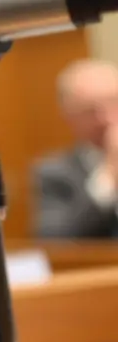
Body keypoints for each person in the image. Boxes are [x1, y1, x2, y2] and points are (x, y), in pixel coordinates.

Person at [34, 59, 118, 239]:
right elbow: (54, 240)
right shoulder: (54, 171)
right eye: (90, 110)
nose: (106, 118)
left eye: (114, 102)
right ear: (69, 117)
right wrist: (108, 176)